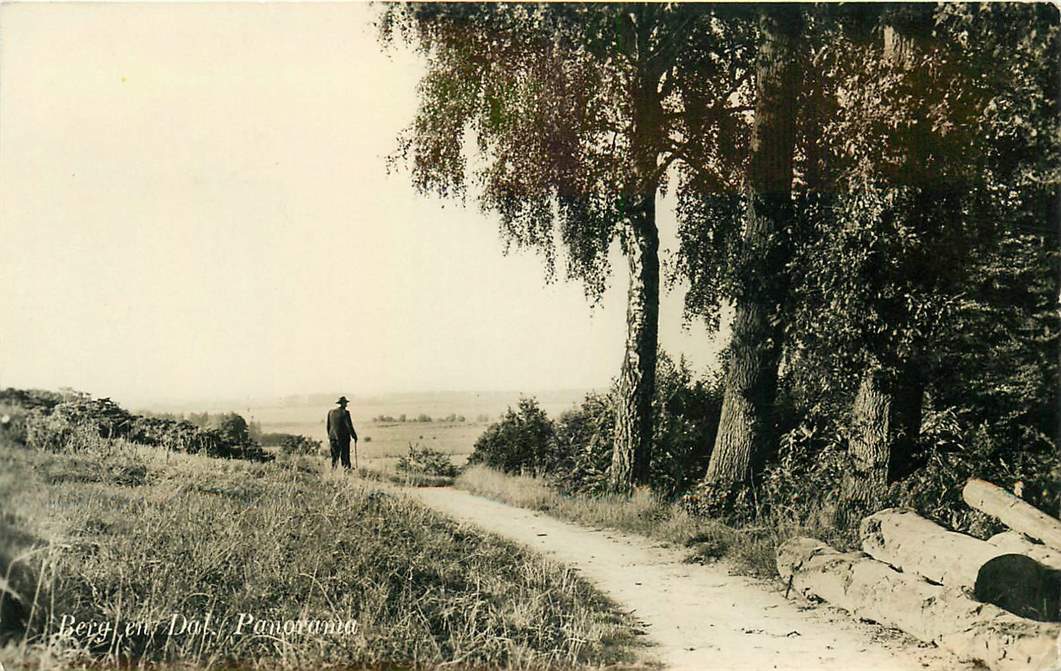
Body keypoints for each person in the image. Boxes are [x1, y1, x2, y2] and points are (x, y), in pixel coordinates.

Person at [326, 396, 358, 470]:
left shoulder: (331, 412)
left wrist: (330, 436)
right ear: (343, 403)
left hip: (332, 438)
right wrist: (354, 436)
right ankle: (347, 473)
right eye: (345, 403)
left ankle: (333, 472)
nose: (346, 404)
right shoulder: (345, 413)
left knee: (334, 457)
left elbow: (328, 426)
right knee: (345, 457)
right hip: (343, 439)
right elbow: (349, 426)